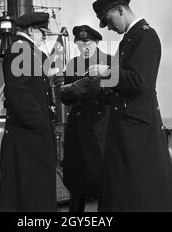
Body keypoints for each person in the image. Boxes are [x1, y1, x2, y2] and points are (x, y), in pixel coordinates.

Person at [90, 0, 172, 212]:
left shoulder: (146, 36)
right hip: (125, 125)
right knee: (124, 188)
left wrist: (106, 72)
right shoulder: (128, 40)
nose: (109, 28)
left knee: (141, 188)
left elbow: (140, 81)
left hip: (138, 127)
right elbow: (123, 84)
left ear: (120, 10)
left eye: (109, 21)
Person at [0, 12, 57, 212]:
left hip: (31, 139)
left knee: (33, 194)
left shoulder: (29, 51)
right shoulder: (20, 49)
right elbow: (17, 91)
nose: (44, 38)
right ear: (31, 30)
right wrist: (39, 121)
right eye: (43, 33)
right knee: (27, 197)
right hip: (27, 138)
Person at [60, 25, 111, 212]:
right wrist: (73, 90)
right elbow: (64, 97)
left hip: (100, 128)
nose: (83, 46)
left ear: (96, 42)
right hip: (78, 128)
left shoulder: (109, 62)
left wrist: (98, 88)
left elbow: (115, 94)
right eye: (80, 42)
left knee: (103, 179)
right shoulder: (73, 64)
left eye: (87, 42)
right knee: (76, 179)